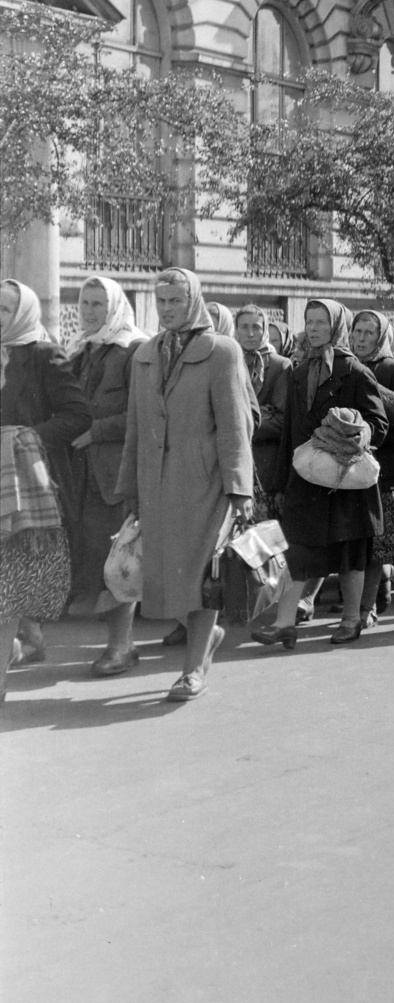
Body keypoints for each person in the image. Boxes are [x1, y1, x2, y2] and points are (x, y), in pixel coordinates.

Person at [113, 268, 254, 700]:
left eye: (176, 300)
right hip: (156, 486)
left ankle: (192, 670)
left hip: (206, 483)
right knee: (168, 578)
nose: (168, 309)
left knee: (201, 576)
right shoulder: (143, 354)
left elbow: (235, 424)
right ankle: (205, 641)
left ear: (193, 300)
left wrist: (240, 489)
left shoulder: (222, 351)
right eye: (161, 301)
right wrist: (130, 487)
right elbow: (134, 428)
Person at [252, 300, 388, 648]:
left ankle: (351, 618)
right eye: (309, 322)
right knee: (295, 549)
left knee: (349, 553)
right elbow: (289, 434)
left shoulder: (355, 372)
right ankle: (284, 623)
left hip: (344, 479)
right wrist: (282, 483)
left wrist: (362, 433)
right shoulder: (298, 373)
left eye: (321, 323)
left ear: (336, 327)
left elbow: (379, 422)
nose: (313, 329)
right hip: (306, 478)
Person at [1, 280, 91, 695]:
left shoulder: (43, 354)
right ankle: (26, 639)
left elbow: (76, 416)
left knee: (12, 572)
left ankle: (20, 647)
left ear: (21, 314)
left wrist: (26, 437)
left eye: (4, 310)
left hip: (27, 481)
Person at [64, 276, 146, 619]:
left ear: (113, 306)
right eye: (84, 302)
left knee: (115, 548)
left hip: (114, 469)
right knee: (86, 542)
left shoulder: (134, 348)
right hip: (80, 468)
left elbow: (141, 412)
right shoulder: (79, 347)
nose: (89, 311)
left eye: (98, 304)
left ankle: (120, 638)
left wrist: (96, 432)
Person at [350, 310, 394, 621]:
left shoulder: (393, 368)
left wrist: (369, 386)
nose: (361, 339)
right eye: (357, 332)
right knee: (358, 540)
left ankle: (365, 607)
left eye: (368, 333)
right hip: (349, 464)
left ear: (380, 337)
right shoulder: (345, 365)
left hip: (384, 466)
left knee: (377, 543)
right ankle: (373, 595)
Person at [236, 305, 291, 519]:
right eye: (244, 327)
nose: (250, 333)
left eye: (256, 327)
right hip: (235, 464)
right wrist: (259, 414)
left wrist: (239, 422)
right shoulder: (229, 361)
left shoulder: (279, 365)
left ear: (265, 329)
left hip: (264, 467)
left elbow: (280, 420)